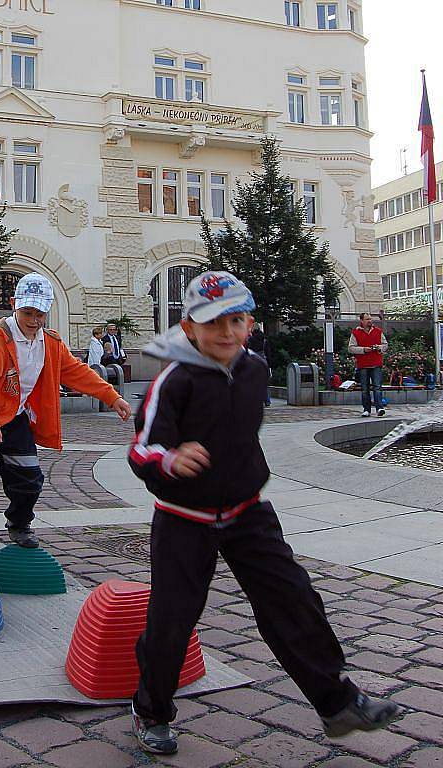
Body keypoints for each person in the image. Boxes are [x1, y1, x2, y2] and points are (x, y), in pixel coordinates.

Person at [128, 270, 399, 756]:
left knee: (294, 599)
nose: (226, 333)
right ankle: (152, 710)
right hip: (184, 518)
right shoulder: (173, 380)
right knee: (173, 618)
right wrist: (169, 459)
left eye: (236, 320)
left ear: (250, 322)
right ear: (189, 327)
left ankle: (336, 703)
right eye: (213, 323)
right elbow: (142, 449)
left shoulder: (255, 369)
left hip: (248, 511)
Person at [0, 272, 132, 549]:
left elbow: (76, 372)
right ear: (14, 304)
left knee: (28, 473)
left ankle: (19, 524)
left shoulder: (51, 342)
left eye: (40, 314)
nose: (34, 321)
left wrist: (111, 396)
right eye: (28, 313)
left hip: (15, 414)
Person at [348, 313, 388, 418]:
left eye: (370, 319)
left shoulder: (378, 331)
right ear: (362, 321)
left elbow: (385, 345)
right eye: (367, 319)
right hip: (363, 364)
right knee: (365, 388)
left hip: (376, 363)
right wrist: (363, 350)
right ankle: (366, 409)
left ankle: (379, 408)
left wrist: (378, 347)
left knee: (377, 387)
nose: (369, 321)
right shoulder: (355, 333)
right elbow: (351, 348)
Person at [246, 322, 272, 406]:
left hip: (253, 362)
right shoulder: (264, 341)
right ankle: (267, 400)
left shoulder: (250, 340)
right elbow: (268, 354)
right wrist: (270, 366)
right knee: (264, 382)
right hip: (264, 362)